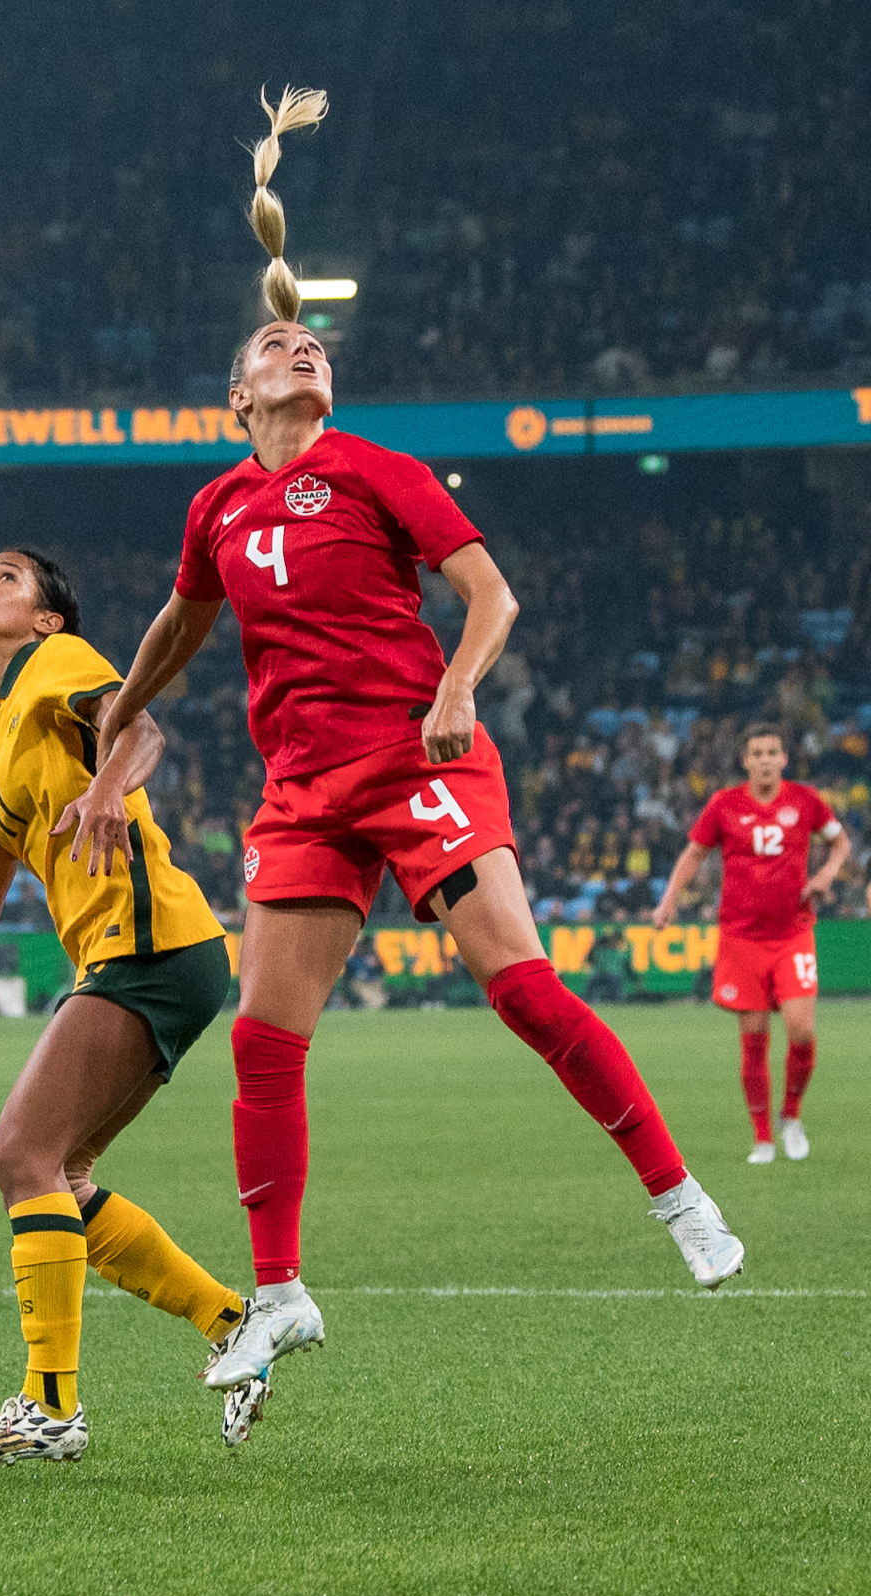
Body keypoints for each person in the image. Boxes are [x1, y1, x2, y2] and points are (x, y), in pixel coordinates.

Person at [67, 87, 746, 1397]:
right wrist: (113, 737)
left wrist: (456, 687)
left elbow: (491, 593)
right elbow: (174, 630)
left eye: (310, 341)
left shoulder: (382, 468)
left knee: (524, 989)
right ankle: (279, 1294)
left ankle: (680, 1198)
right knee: (266, 1036)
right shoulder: (216, 505)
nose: (297, 345)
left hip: (419, 757)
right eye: (276, 344)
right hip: (305, 792)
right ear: (238, 394)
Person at [0, 549, 267, 1461]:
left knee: (19, 1153)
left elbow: (140, 731)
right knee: (60, 1175)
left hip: (152, 945)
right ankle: (232, 1322)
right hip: (136, 956)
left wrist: (109, 783)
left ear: (45, 618)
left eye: (7, 575)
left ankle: (52, 1407)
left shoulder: (60, 664)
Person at [653, 725, 850, 1164]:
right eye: (757, 753)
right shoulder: (725, 803)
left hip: (793, 933)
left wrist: (826, 875)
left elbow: (840, 842)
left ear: (784, 758)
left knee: (802, 1029)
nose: (764, 759)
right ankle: (762, 1137)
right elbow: (693, 854)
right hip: (742, 937)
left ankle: (791, 1116)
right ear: (745, 761)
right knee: (754, 1037)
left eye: (772, 752)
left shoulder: (805, 800)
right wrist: (668, 901)